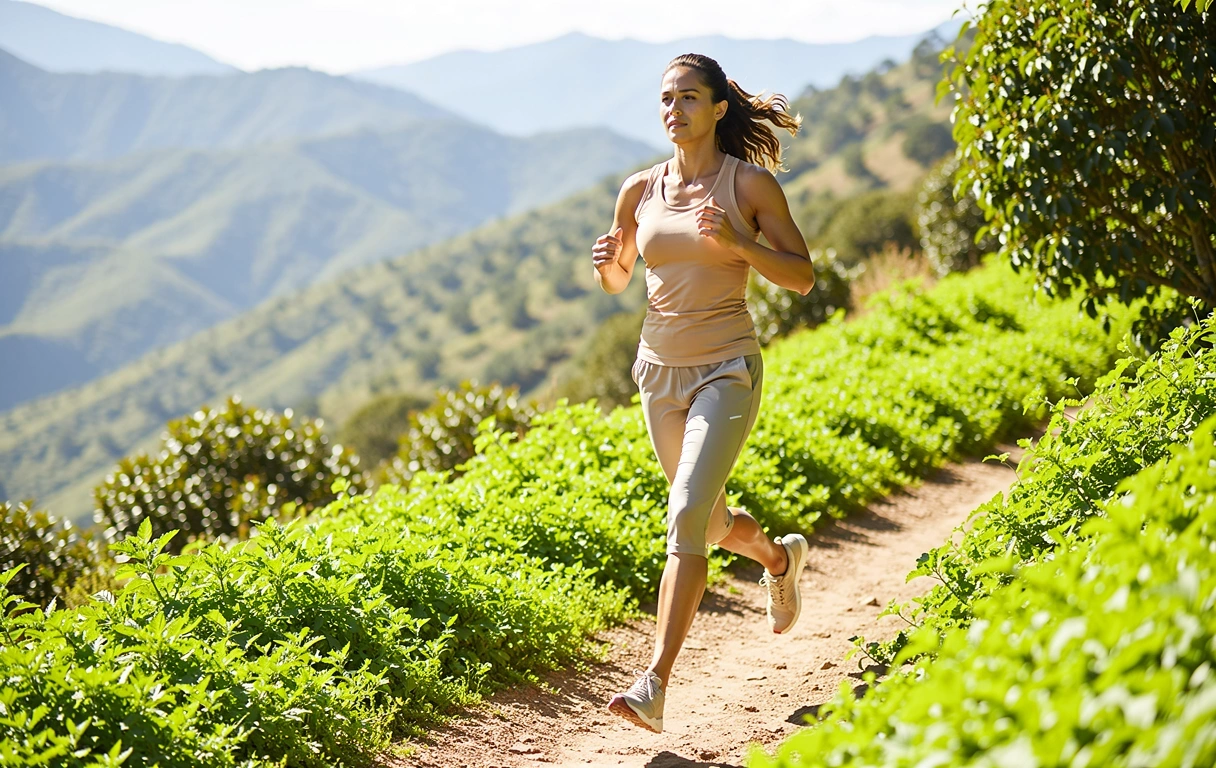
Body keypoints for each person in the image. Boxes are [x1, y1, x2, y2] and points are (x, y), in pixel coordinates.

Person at [591, 53, 816, 734]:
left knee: (685, 512)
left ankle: (654, 682)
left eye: (688, 97)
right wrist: (608, 267)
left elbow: (802, 277)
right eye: (666, 98)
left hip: (726, 369)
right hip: (658, 374)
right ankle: (779, 559)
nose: (673, 109)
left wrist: (743, 242)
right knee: (711, 525)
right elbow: (622, 277)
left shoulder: (748, 185)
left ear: (719, 108)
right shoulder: (638, 190)